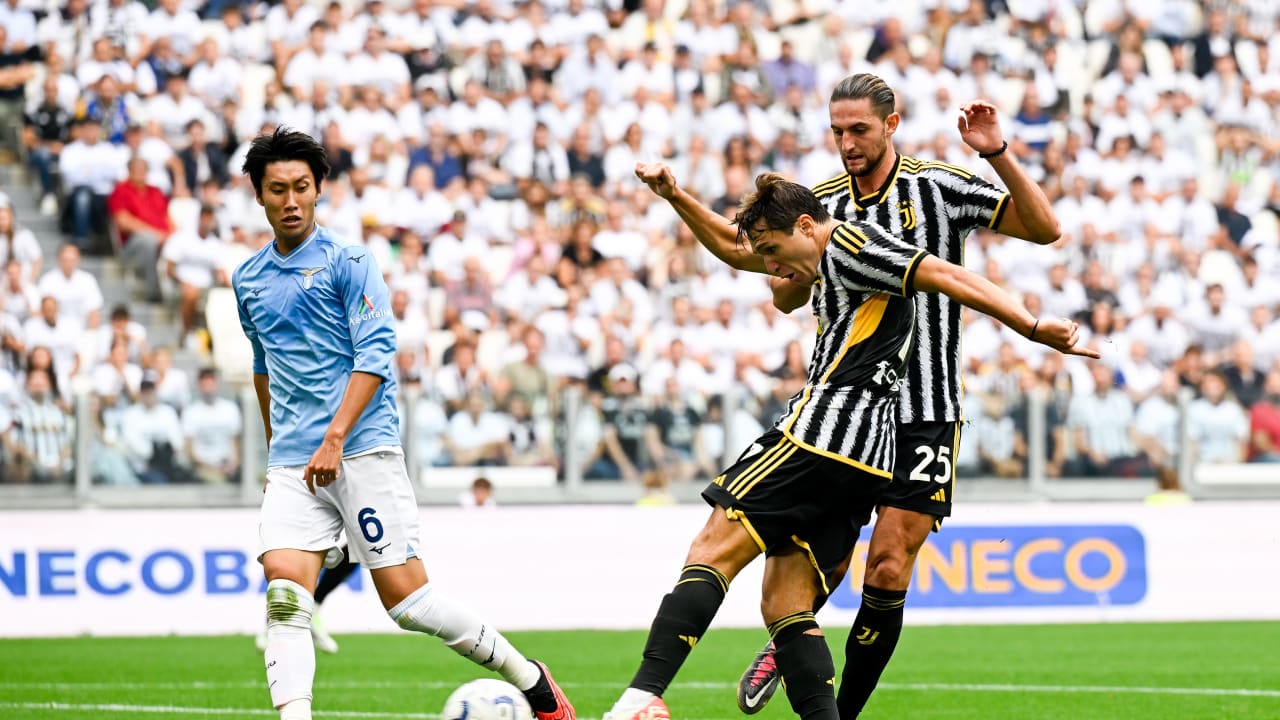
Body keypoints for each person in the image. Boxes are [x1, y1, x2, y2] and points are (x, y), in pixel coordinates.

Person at [637, 71, 1065, 718]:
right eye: (837, 130)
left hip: (925, 407)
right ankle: (792, 635)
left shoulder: (938, 186)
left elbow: (1042, 228)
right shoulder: (823, 204)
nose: (847, 142)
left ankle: (839, 698)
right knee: (821, 568)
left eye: (859, 129)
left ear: (891, 126)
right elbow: (769, 274)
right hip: (850, 413)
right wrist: (781, 271)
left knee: (888, 567)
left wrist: (996, 153)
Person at [231, 127, 574, 720]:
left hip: (362, 449)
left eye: (301, 188)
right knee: (286, 597)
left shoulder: (351, 263)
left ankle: (530, 678)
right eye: (277, 190)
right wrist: (275, 456)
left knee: (409, 603)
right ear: (259, 197)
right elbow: (265, 369)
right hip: (294, 462)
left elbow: (375, 355)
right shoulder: (248, 278)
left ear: (319, 192)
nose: (290, 201)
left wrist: (335, 436)